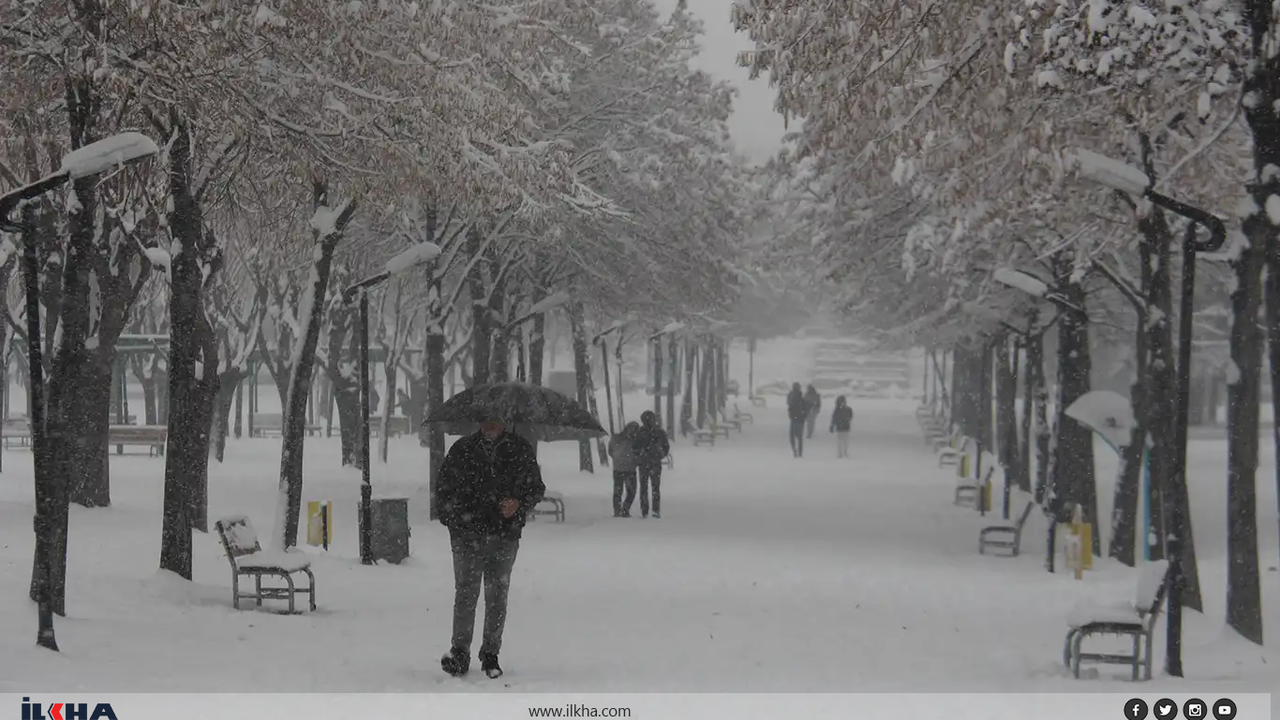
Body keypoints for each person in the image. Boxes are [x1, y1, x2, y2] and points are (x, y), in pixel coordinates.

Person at [437, 419, 545, 679]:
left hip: (504, 534)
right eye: (486, 420)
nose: (491, 425)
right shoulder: (462, 450)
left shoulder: (519, 450)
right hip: (466, 535)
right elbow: (443, 491)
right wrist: (456, 521)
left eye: (496, 420)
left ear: (505, 422)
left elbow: (536, 488)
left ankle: (490, 654)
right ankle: (460, 653)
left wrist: (518, 504)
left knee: (497, 594)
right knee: (466, 592)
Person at [631, 411, 670, 518]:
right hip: (650, 463)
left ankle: (649, 510)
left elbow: (634, 447)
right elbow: (634, 447)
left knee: (648, 487)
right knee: (652, 487)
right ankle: (651, 510)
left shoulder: (642, 432)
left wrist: (641, 454)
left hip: (648, 463)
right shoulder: (656, 432)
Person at [609, 422, 640, 517]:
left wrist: (617, 459)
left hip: (618, 468)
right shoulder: (635, 440)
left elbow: (610, 452)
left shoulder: (616, 438)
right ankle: (625, 509)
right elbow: (638, 453)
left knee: (618, 491)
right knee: (631, 491)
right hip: (629, 469)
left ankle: (618, 510)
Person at [786, 382, 806, 457]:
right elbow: (805, 408)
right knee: (800, 437)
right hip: (800, 420)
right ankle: (800, 451)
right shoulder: (801, 397)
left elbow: (789, 405)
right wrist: (803, 416)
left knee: (792, 436)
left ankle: (794, 449)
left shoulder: (791, 396)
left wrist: (790, 415)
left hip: (794, 419)